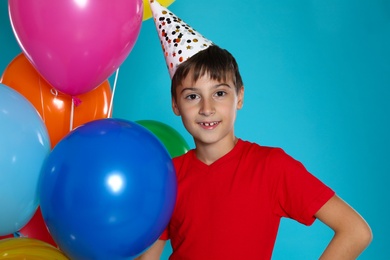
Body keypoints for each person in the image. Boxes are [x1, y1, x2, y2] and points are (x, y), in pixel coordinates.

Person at [138, 1, 373, 259]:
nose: (207, 108)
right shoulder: (168, 177)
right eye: (192, 96)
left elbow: (355, 230)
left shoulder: (271, 167)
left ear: (239, 96)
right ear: (175, 105)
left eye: (219, 93)